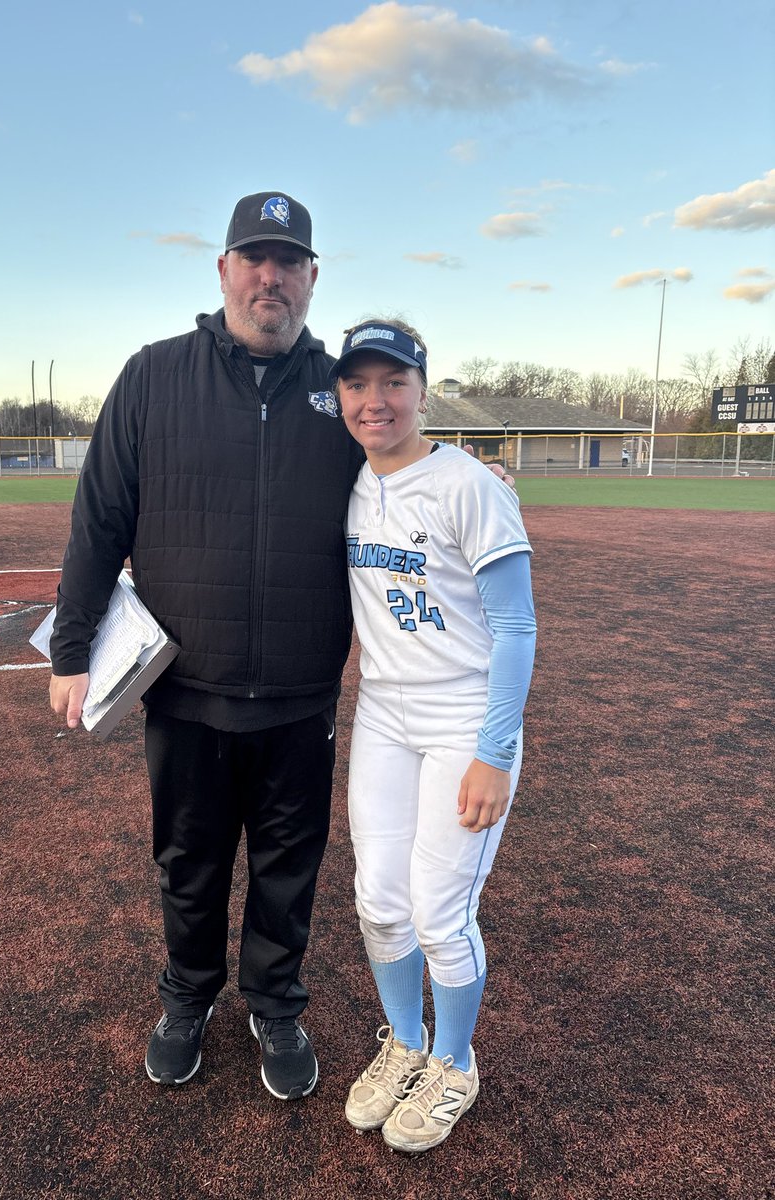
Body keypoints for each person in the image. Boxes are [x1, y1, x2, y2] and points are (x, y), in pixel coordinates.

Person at [48, 192, 516, 1104]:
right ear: (223, 269)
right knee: (190, 862)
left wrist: (471, 467)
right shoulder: (153, 376)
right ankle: (186, 999)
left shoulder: (338, 389)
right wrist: (72, 648)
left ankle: (276, 1005)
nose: (272, 276)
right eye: (254, 257)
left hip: (301, 695)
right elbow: (99, 520)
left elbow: (400, 451)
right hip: (185, 689)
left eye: (289, 261)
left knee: (287, 867)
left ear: (312, 277)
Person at [331, 320, 536, 1152]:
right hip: (383, 711)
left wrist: (495, 749)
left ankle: (455, 1060)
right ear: (337, 395)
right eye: (357, 384)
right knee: (378, 902)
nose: (374, 401)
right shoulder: (346, 478)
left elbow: (516, 626)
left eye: (392, 382)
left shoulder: (467, 484)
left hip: (463, 714)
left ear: (422, 388)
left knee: (438, 913)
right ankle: (405, 1045)